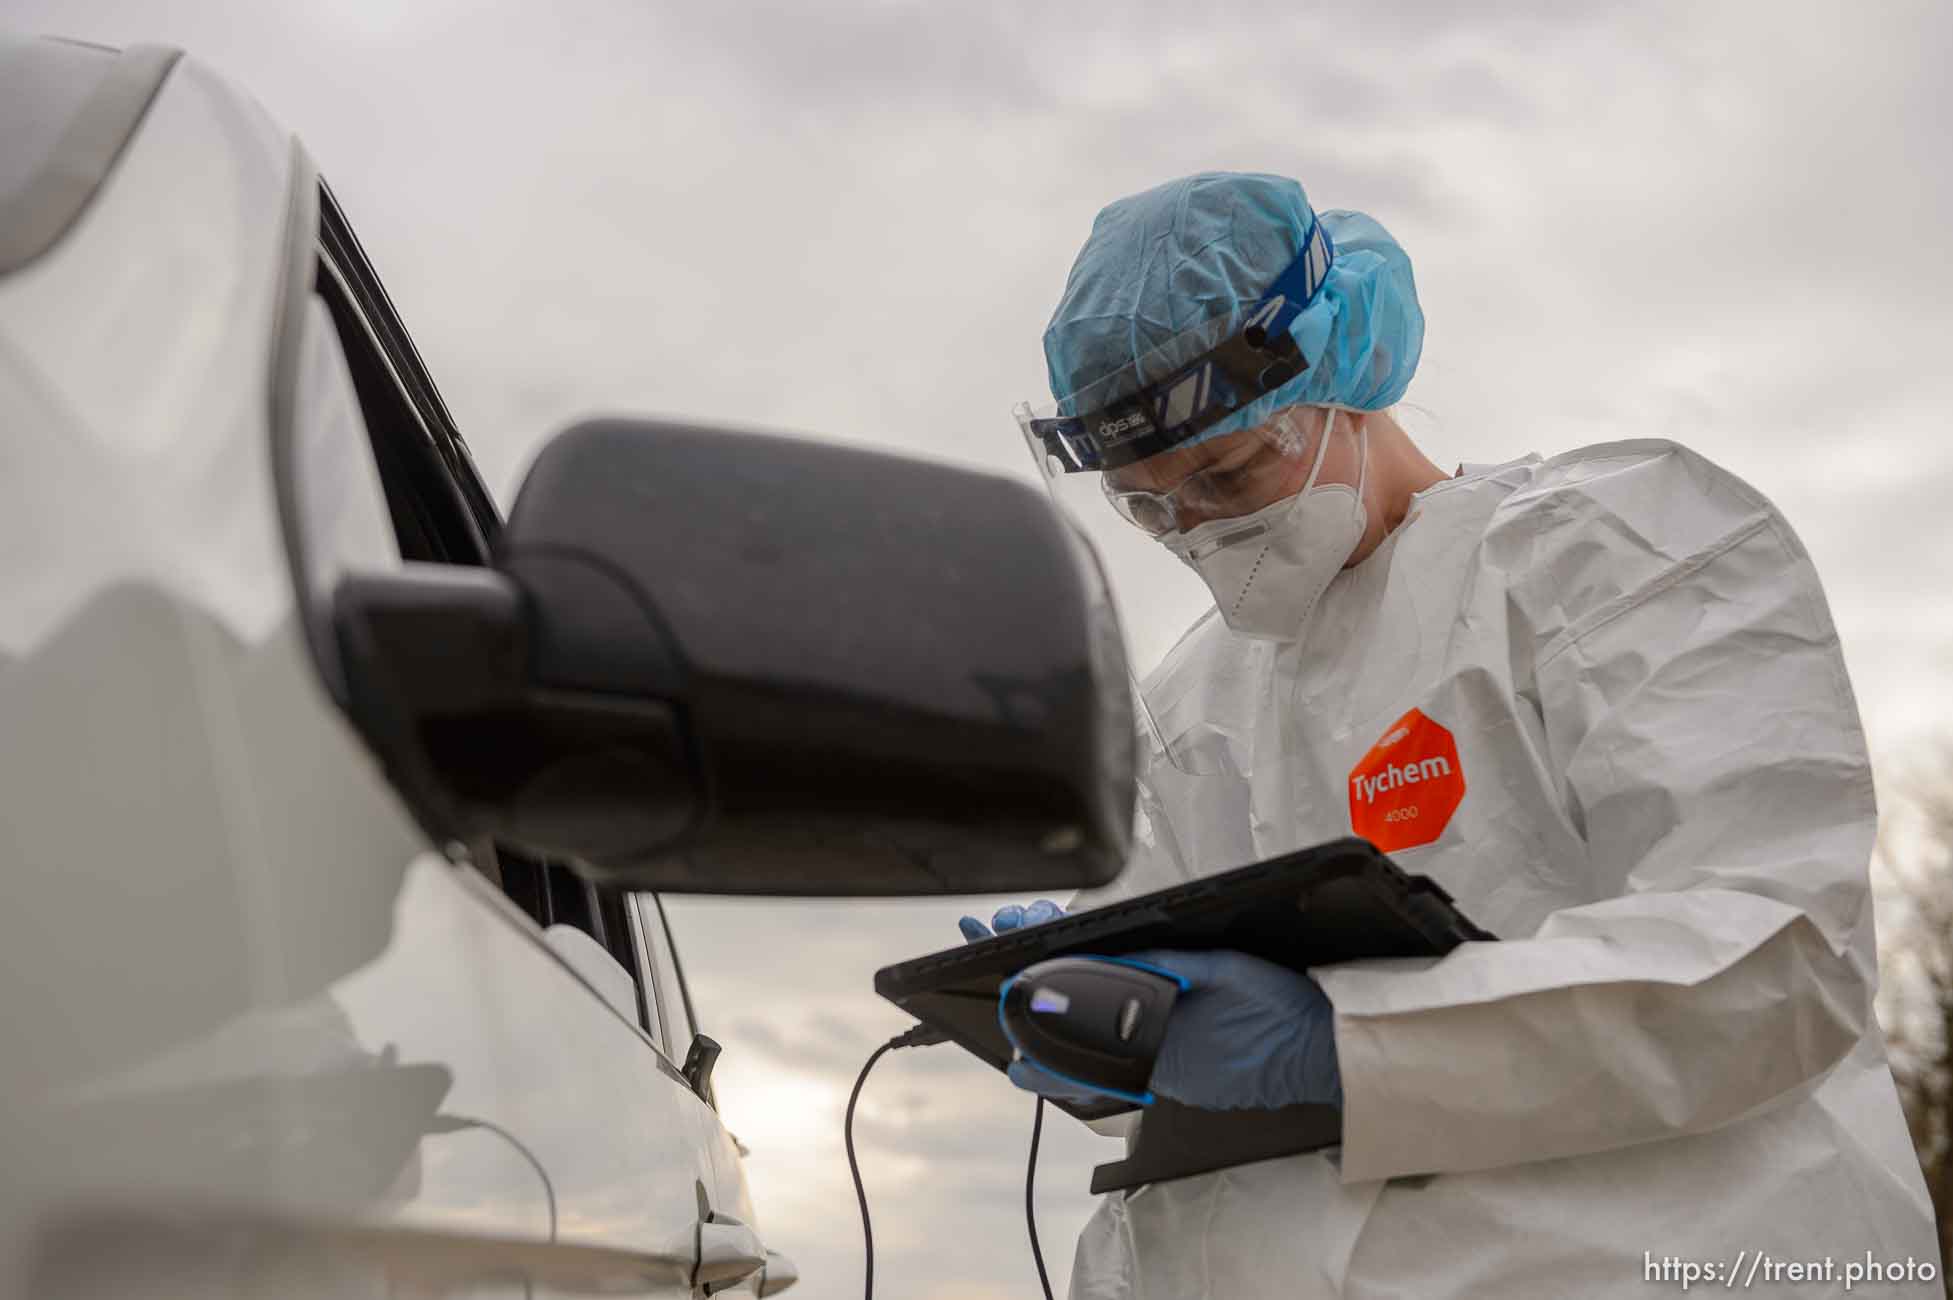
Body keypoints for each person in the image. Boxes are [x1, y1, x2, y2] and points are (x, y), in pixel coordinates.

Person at [967, 171, 1942, 1298]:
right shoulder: (1192, 708)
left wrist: (1346, 1044)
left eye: (1231, 472)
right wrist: (1096, 1021)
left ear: (1345, 371)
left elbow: (1770, 960)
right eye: (1154, 507)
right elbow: (1195, 1057)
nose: (1201, 528)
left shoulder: (1622, 551)